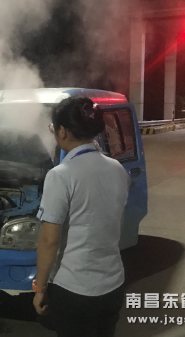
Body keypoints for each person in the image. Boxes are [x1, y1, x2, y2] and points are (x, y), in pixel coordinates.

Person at [32, 97, 131, 337]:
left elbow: (49, 241)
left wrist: (40, 288)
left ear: (62, 131)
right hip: (113, 285)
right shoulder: (117, 169)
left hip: (74, 290)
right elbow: (116, 224)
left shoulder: (60, 176)